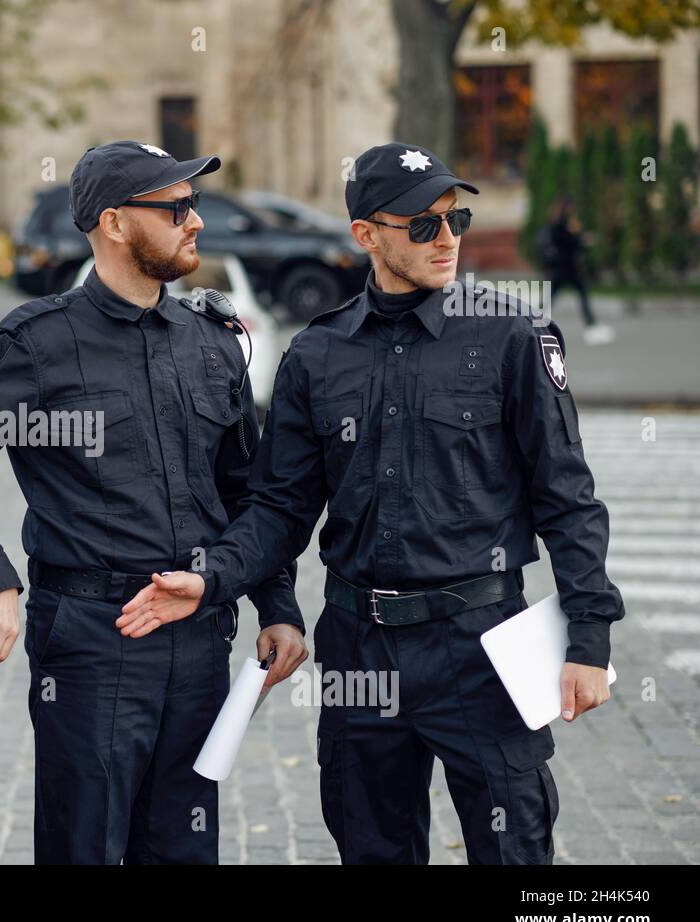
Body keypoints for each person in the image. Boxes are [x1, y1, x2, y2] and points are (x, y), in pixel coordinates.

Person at [116, 142, 625, 865]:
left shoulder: (511, 335)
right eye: (423, 225)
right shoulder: (317, 356)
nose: (446, 239)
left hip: (480, 643)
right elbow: (278, 510)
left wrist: (590, 639)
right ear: (367, 236)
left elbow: (568, 499)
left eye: (456, 220)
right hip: (361, 647)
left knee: (515, 852)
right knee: (370, 848)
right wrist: (213, 579)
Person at [0, 140, 306, 864]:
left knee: (184, 849)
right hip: (92, 646)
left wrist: (276, 607)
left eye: (195, 204)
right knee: (85, 849)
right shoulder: (40, 341)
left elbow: (251, 491)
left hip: (201, 642)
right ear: (114, 224)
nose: (196, 222)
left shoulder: (212, 342)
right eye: (176, 207)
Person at [536, 197, 613, 345]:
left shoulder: (564, 223)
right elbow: (567, 242)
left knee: (575, 295)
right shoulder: (560, 224)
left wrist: (578, 237)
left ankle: (591, 325)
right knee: (551, 298)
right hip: (563, 268)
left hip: (567, 269)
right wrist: (580, 238)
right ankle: (533, 323)